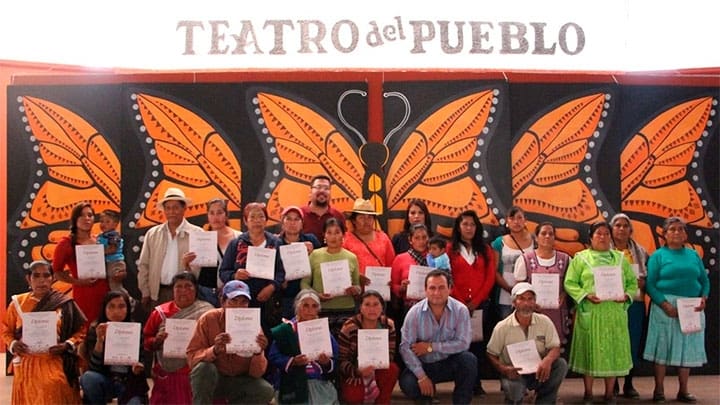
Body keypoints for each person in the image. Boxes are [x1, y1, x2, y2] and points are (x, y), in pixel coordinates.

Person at [564, 221, 638, 404]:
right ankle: (588, 393)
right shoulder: (581, 258)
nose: (603, 237)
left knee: (612, 353)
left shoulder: (620, 259)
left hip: (614, 314)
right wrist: (585, 295)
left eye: (606, 234)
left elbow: (632, 283)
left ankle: (609, 394)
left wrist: (626, 295)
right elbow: (570, 283)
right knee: (590, 352)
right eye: (598, 233)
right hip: (591, 313)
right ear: (591, 237)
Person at [643, 217, 710, 404]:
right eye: (672, 229)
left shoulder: (693, 255)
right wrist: (665, 305)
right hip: (665, 307)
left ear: (686, 234)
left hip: (691, 308)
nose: (677, 232)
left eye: (681, 229)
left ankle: (683, 390)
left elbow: (704, 281)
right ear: (664, 234)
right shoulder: (658, 256)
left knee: (686, 349)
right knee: (662, 349)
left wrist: (704, 298)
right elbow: (650, 284)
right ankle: (659, 390)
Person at [1, 260, 87, 404]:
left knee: (56, 382)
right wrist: (14, 344)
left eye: (46, 275)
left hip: (56, 357)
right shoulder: (17, 303)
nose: (42, 280)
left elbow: (81, 331)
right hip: (27, 358)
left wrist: (66, 345)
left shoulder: (65, 303)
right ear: (29, 279)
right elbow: (6, 331)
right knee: (37, 385)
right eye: (36, 276)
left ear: (52, 278)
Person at [186, 280, 276, 404]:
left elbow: (256, 374)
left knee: (265, 390)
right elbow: (191, 358)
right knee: (204, 368)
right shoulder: (208, 319)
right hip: (214, 379)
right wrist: (214, 350)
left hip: (238, 381)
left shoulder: (253, 325)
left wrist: (258, 352)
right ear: (222, 301)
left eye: (244, 302)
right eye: (233, 301)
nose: (238, 306)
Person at [399, 269, 477, 405]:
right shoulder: (414, 313)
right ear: (425, 290)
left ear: (450, 289)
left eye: (441, 287)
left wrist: (431, 347)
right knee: (408, 383)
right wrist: (422, 376)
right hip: (424, 364)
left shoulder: (460, 310)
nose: (436, 293)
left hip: (449, 362)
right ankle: (426, 398)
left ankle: (461, 402)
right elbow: (405, 347)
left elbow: (463, 343)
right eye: (432, 288)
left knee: (469, 360)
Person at [486, 282, 568, 405]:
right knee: (514, 393)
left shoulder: (545, 322)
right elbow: (491, 353)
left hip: (539, 371)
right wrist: (503, 369)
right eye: (522, 299)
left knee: (560, 365)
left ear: (535, 302)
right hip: (515, 373)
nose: (526, 303)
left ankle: (545, 401)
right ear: (514, 303)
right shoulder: (502, 327)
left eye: (530, 299)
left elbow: (555, 347)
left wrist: (547, 360)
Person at [143, 272, 214, 405]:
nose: (183, 291)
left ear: (196, 289)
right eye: (179, 287)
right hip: (169, 370)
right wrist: (157, 341)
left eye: (188, 286)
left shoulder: (207, 312)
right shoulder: (160, 313)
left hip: (196, 367)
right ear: (172, 290)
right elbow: (146, 342)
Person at [447, 210, 496, 396]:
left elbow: (490, 277)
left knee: (477, 346)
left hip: (480, 305)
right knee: (460, 345)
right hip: (456, 305)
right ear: (458, 227)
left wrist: (476, 301)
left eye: (472, 224)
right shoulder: (449, 249)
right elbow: (447, 277)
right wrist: (461, 302)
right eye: (465, 224)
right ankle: (462, 384)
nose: (469, 228)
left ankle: (476, 383)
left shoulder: (485, 250)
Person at [219, 202, 285, 334]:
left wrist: (271, 287)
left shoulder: (276, 243)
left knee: (266, 337)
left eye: (261, 216)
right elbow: (223, 272)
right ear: (245, 221)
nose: (257, 221)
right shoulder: (236, 243)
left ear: (266, 220)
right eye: (252, 217)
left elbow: (281, 272)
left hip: (268, 302)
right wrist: (235, 275)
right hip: (241, 302)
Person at [269, 289, 340, 404]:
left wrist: (326, 363)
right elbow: (273, 356)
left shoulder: (322, 331)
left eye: (314, 306)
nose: (310, 310)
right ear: (297, 307)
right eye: (305, 305)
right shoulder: (286, 330)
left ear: (318, 309)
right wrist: (293, 361)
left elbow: (335, 357)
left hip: (318, 383)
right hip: (291, 384)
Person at [138, 187, 204, 312]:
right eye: (167, 208)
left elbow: (201, 269)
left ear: (184, 208)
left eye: (175, 207)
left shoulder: (197, 234)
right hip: (157, 293)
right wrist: (145, 291)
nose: (171, 212)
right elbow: (144, 265)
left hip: (185, 295)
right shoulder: (152, 234)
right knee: (158, 324)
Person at [80, 291, 149, 405]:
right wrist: (99, 340)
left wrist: (138, 367)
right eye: (111, 306)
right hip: (105, 378)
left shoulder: (135, 330)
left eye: (121, 306)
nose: (116, 311)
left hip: (129, 382)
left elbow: (142, 359)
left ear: (128, 309)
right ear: (104, 309)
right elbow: (94, 367)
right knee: (88, 378)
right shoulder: (96, 328)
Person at [609, 213, 649, 398]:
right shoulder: (603, 252)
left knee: (632, 342)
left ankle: (629, 383)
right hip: (612, 304)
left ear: (631, 230)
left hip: (635, 304)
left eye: (625, 226)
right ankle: (613, 383)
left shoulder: (641, 252)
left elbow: (649, 277)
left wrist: (643, 283)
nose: (621, 229)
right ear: (611, 229)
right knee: (613, 342)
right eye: (617, 225)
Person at [513, 222, 571, 347]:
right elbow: (518, 287)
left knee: (555, 346)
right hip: (532, 312)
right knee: (533, 345)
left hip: (557, 312)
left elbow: (571, 283)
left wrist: (564, 295)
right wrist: (529, 301)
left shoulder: (565, 259)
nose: (547, 236)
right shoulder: (525, 259)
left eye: (551, 234)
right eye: (543, 233)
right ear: (536, 237)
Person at [301, 217, 361, 337]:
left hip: (346, 310)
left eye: (337, 232)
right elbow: (304, 283)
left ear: (343, 235)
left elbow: (358, 286)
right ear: (324, 235)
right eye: (329, 232)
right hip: (320, 309)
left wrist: (355, 289)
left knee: (345, 345)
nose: (333, 237)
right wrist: (316, 296)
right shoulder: (314, 255)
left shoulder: (351, 257)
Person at [338, 290, 400, 404]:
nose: (372, 309)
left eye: (376, 304)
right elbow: (341, 360)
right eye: (367, 304)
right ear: (360, 308)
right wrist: (357, 371)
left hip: (378, 369)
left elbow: (390, 354)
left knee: (392, 369)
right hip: (355, 371)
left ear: (382, 307)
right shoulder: (349, 327)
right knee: (353, 396)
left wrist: (374, 365)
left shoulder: (388, 325)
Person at [54, 201, 110, 326]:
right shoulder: (66, 243)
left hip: (106, 293)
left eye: (90, 215)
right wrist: (78, 282)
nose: (87, 218)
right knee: (85, 330)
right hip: (84, 295)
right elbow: (57, 272)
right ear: (75, 219)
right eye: (82, 215)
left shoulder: (100, 241)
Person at [189, 198, 241, 307]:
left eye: (219, 212)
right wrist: (186, 263)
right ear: (207, 216)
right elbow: (195, 270)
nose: (215, 217)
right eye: (212, 213)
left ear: (226, 215)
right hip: (206, 292)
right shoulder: (201, 238)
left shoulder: (238, 237)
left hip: (232, 292)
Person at [276, 205, 322, 319]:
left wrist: (313, 253)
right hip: (285, 297)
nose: (292, 223)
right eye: (288, 219)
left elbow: (321, 267)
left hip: (310, 297)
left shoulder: (311, 240)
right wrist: (281, 280)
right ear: (282, 223)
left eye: (296, 219)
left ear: (302, 224)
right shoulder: (275, 243)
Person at [492, 206, 535, 322]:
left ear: (525, 220)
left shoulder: (535, 241)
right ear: (507, 221)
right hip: (505, 296)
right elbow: (494, 271)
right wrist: (511, 289)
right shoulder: (499, 242)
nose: (516, 222)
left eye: (519, 218)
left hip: (528, 296)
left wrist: (524, 292)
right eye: (512, 218)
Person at [343, 198, 396, 287]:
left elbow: (391, 264)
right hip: (355, 289)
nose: (366, 221)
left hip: (380, 288)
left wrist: (390, 279)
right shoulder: (346, 239)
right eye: (361, 217)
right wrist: (356, 276)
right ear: (354, 220)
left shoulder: (383, 238)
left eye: (370, 217)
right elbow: (342, 267)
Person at [301, 174, 347, 242]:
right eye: (318, 187)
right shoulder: (299, 214)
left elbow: (344, 240)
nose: (322, 191)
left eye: (326, 188)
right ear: (310, 192)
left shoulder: (338, 216)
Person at [97, 209, 128, 295]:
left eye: (107, 222)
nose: (103, 224)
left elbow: (112, 249)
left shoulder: (113, 235)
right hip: (108, 263)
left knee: (115, 285)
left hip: (115, 262)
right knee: (109, 286)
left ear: (115, 224)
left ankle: (127, 299)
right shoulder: (101, 236)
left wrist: (98, 253)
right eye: (101, 221)